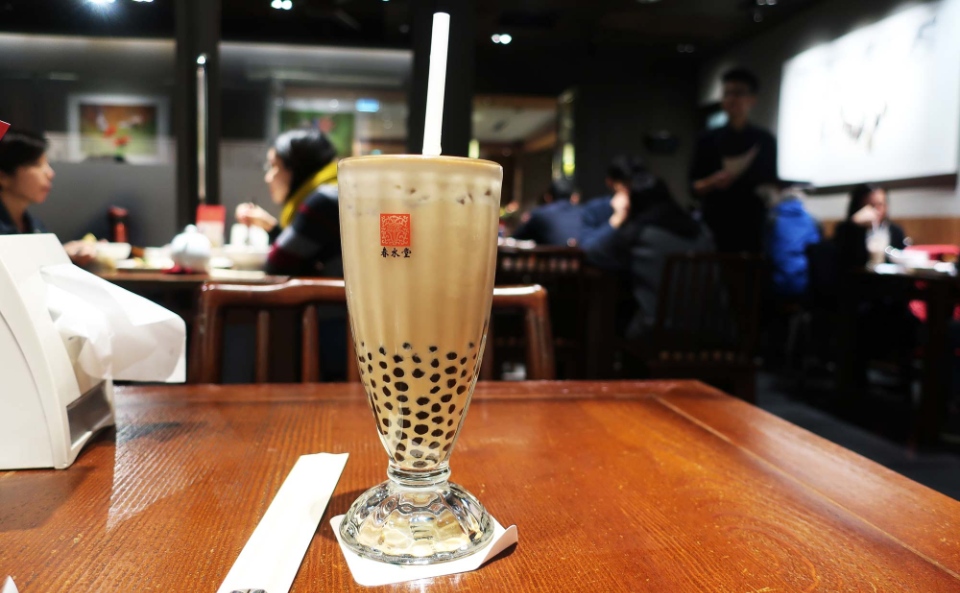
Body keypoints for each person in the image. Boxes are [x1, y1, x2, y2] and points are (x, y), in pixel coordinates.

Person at [581, 155, 714, 338]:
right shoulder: (701, 232)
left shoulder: (639, 234)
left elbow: (589, 251)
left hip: (661, 333)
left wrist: (617, 218)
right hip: (710, 332)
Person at [689, 68, 778, 254]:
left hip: (752, 224)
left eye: (738, 93)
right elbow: (693, 187)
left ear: (752, 99)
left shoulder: (765, 140)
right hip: (715, 223)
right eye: (727, 93)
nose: (731, 99)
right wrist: (712, 182)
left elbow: (770, 182)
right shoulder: (707, 139)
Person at [235, 129, 341, 277]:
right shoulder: (336, 192)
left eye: (273, 166)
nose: (268, 178)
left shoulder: (323, 202)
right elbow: (297, 259)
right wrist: (270, 226)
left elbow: (277, 265)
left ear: (295, 168)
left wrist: (271, 228)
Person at [0, 129, 96, 266]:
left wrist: (65, 251)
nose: (50, 173)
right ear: (3, 176)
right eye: (37, 164)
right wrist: (60, 253)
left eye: (47, 163)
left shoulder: (35, 225)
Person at [765, 184, 821, 298]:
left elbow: (767, 247)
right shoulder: (812, 220)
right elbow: (816, 248)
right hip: (806, 282)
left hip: (775, 281)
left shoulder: (772, 218)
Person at [833, 183, 906, 271]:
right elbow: (842, 261)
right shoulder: (846, 230)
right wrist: (855, 226)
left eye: (880, 204)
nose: (876, 210)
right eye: (870, 205)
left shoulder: (895, 231)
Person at [511, 178, 582, 246]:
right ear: (572, 197)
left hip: (549, 254)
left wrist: (524, 222)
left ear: (548, 197)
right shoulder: (583, 214)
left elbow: (516, 238)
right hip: (580, 254)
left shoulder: (540, 214)